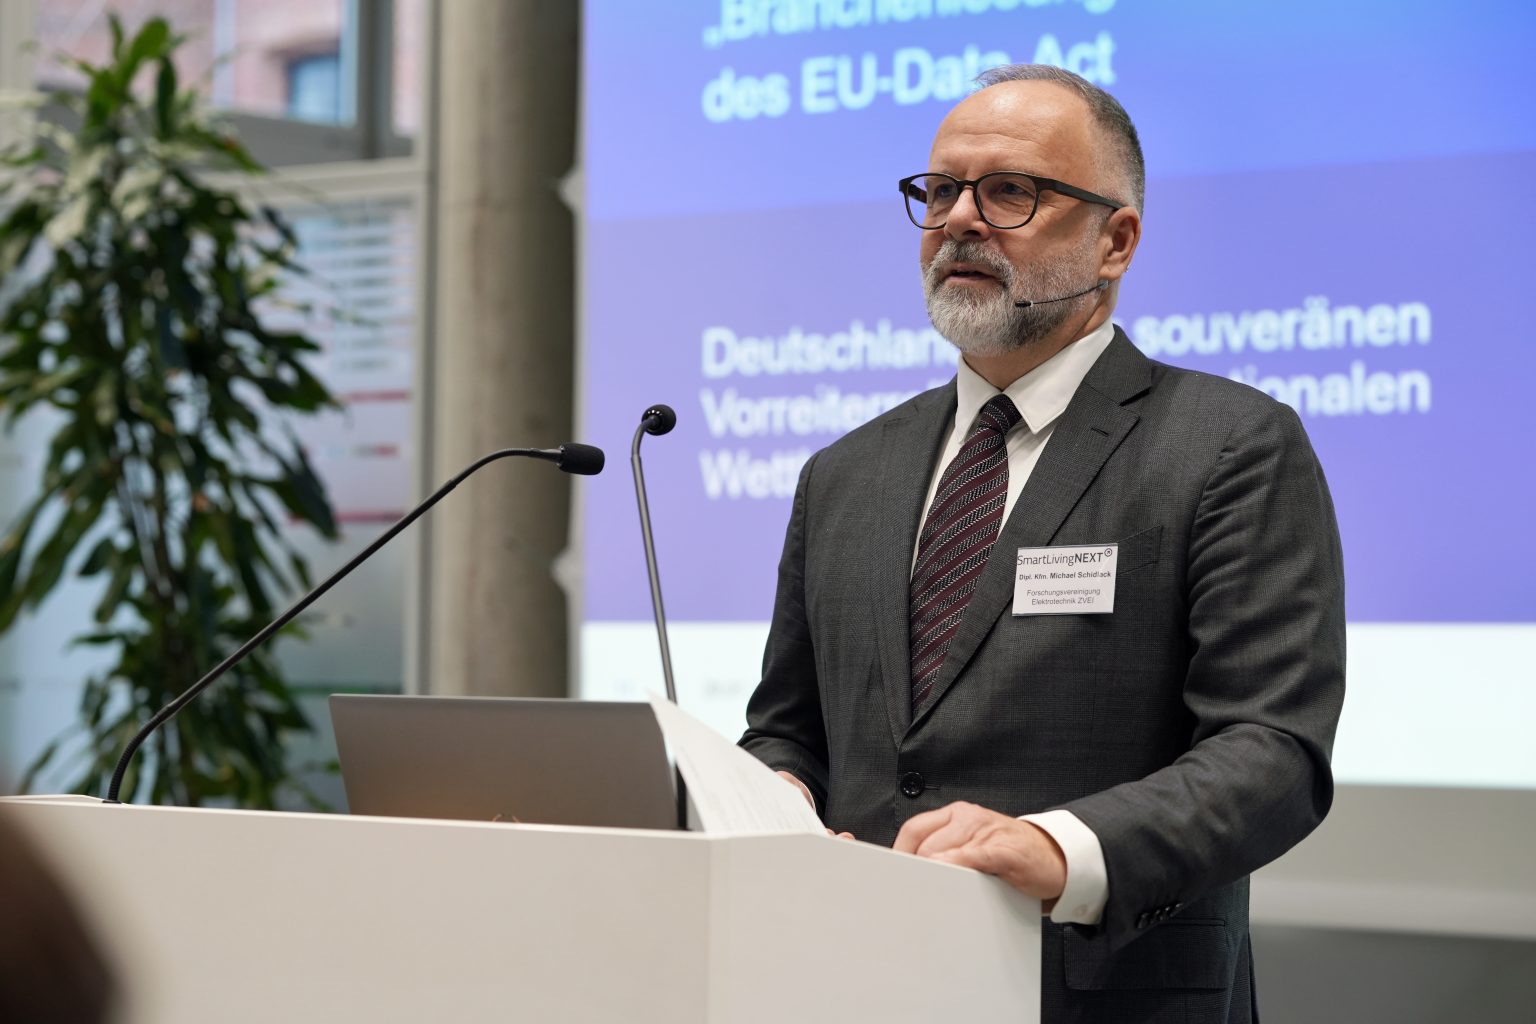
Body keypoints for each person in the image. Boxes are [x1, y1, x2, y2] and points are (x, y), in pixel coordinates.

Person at [740, 63, 1344, 1023]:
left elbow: (1271, 750)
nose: (960, 220)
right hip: (854, 980)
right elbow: (790, 725)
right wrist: (771, 796)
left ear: (1117, 240)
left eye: (1010, 192)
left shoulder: (1228, 443)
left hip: (1101, 993)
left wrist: (1063, 849)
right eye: (940, 190)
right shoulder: (845, 472)